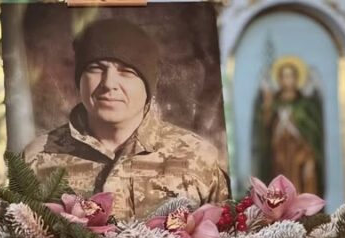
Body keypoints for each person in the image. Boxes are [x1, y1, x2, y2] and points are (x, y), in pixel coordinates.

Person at [24, 18, 229, 219]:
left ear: (149, 85)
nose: (109, 84)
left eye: (126, 71)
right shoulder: (35, 158)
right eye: (96, 68)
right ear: (79, 79)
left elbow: (227, 235)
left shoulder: (197, 158)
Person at [253, 57, 323, 196]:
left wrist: (295, 122)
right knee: (280, 178)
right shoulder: (274, 102)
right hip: (279, 150)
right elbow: (265, 125)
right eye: (284, 76)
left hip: (299, 148)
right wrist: (268, 106)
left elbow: (313, 129)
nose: (288, 80)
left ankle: (302, 204)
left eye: (291, 76)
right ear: (279, 79)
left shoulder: (305, 103)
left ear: (297, 79)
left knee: (302, 175)